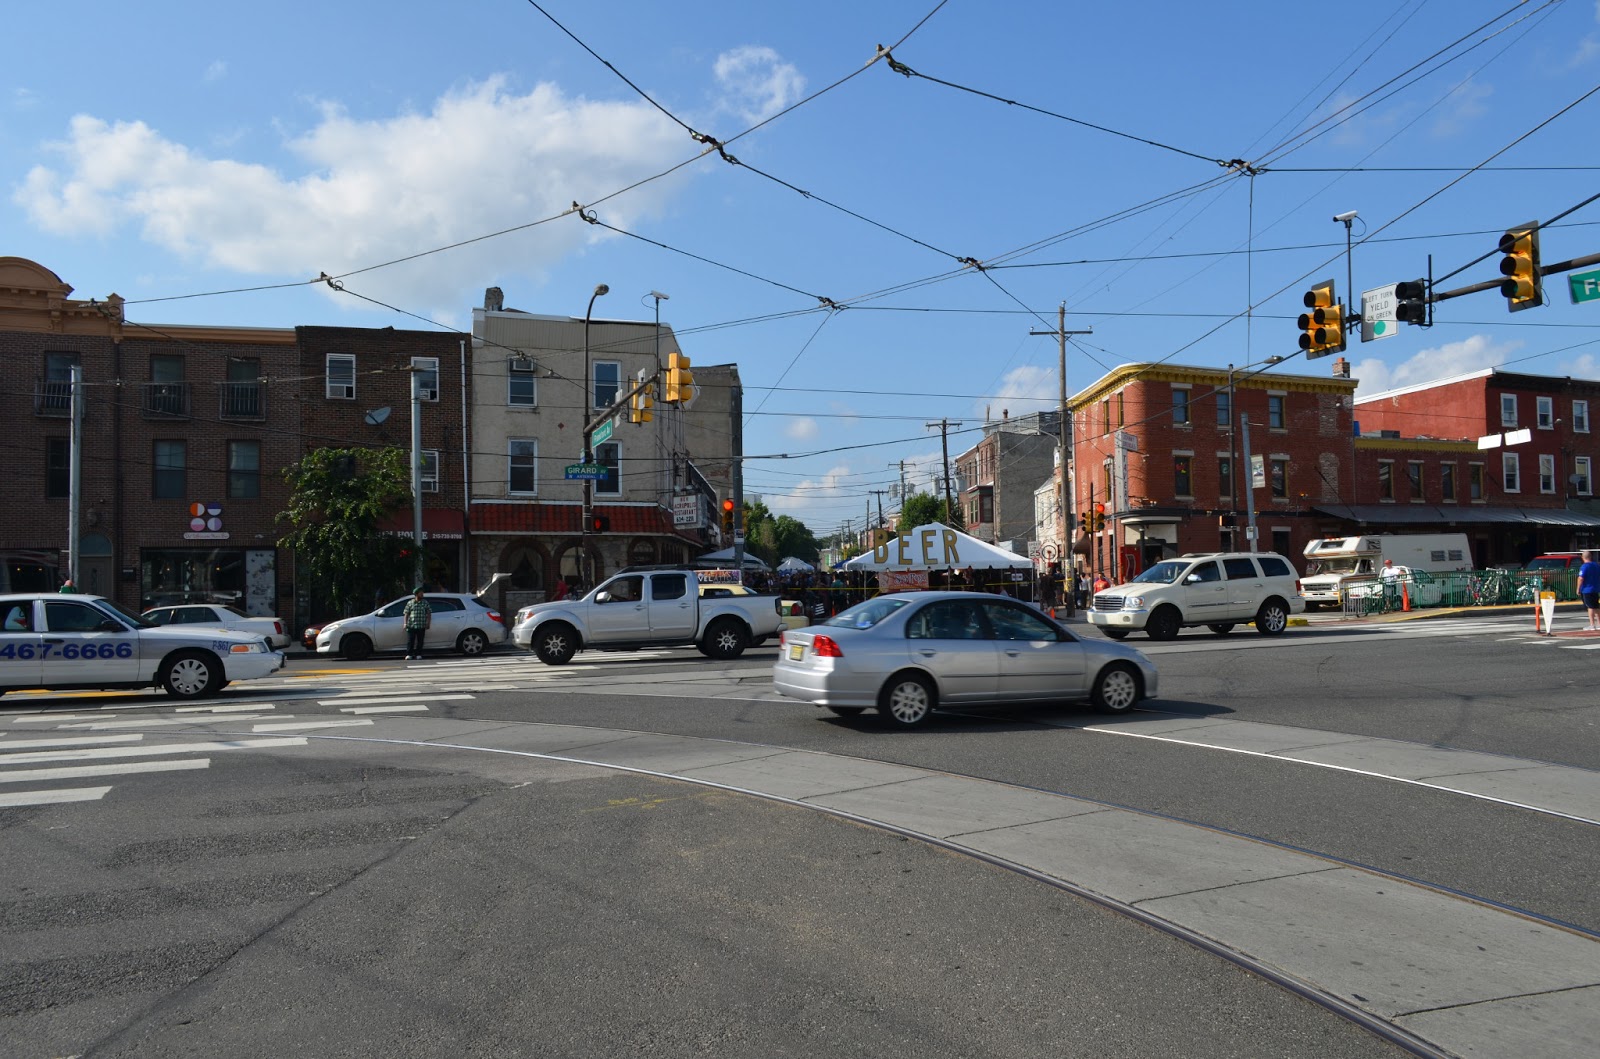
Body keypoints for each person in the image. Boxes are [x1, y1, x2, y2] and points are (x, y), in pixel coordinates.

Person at [403, 587, 431, 660]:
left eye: (422, 593)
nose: (422, 594)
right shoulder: (410, 603)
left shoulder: (425, 602)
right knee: (410, 640)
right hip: (411, 625)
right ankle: (409, 654)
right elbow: (406, 613)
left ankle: (418, 654)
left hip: (421, 625)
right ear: (416, 594)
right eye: (420, 593)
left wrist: (428, 623)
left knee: (420, 641)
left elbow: (428, 613)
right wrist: (405, 623)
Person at [1578, 549, 1600, 632]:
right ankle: (1599, 623)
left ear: (1583, 557)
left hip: (1587, 589)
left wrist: (1578, 588)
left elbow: (1581, 578)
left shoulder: (1584, 566)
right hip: (1596, 588)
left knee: (1590, 607)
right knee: (1596, 606)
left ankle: (1592, 624)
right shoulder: (1597, 565)